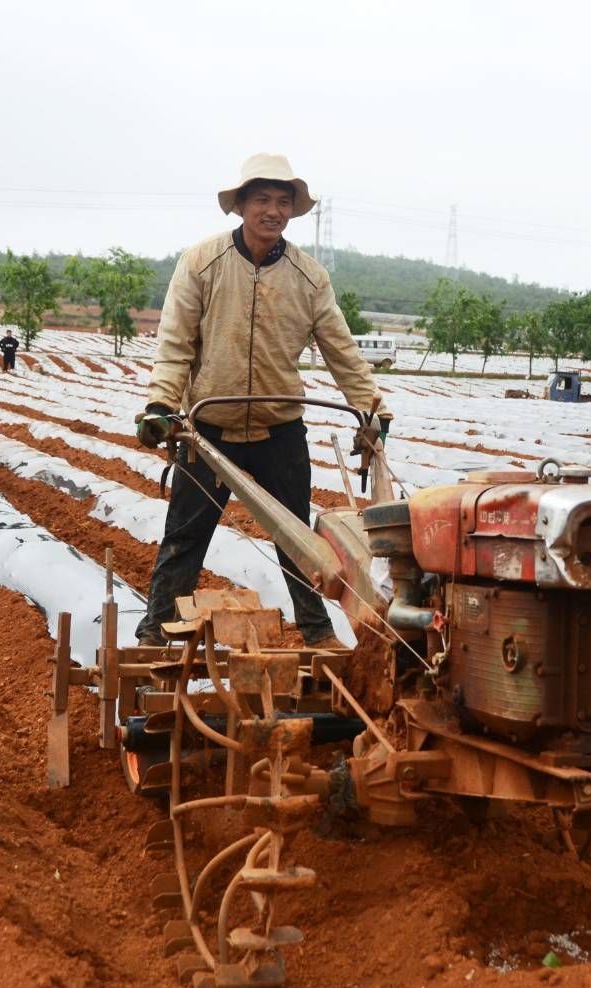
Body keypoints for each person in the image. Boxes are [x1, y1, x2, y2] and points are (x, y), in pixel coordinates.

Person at [133, 153, 389, 650]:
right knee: (186, 536)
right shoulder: (202, 262)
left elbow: (341, 349)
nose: (272, 211)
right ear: (242, 205)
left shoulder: (309, 276)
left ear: (292, 211)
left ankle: (317, 633)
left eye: (282, 202)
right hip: (209, 427)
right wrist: (162, 406)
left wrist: (372, 409)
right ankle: (154, 634)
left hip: (279, 427)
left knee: (297, 538)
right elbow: (175, 344)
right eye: (262, 200)